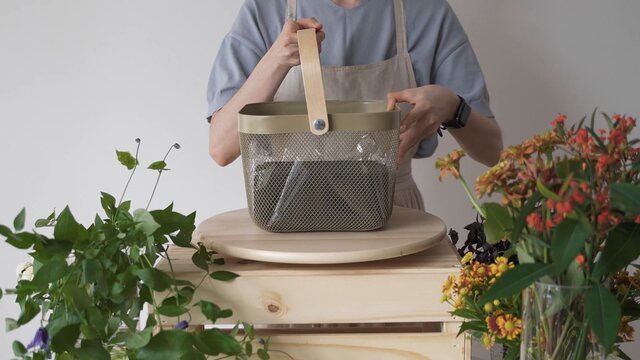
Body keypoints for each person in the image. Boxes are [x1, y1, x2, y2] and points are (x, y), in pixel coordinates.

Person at [207, 0, 503, 211]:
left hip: (394, 220)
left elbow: (491, 150)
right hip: (286, 218)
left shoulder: (427, 11)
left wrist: (452, 106)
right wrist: (276, 60)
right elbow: (222, 147)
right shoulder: (264, 9)